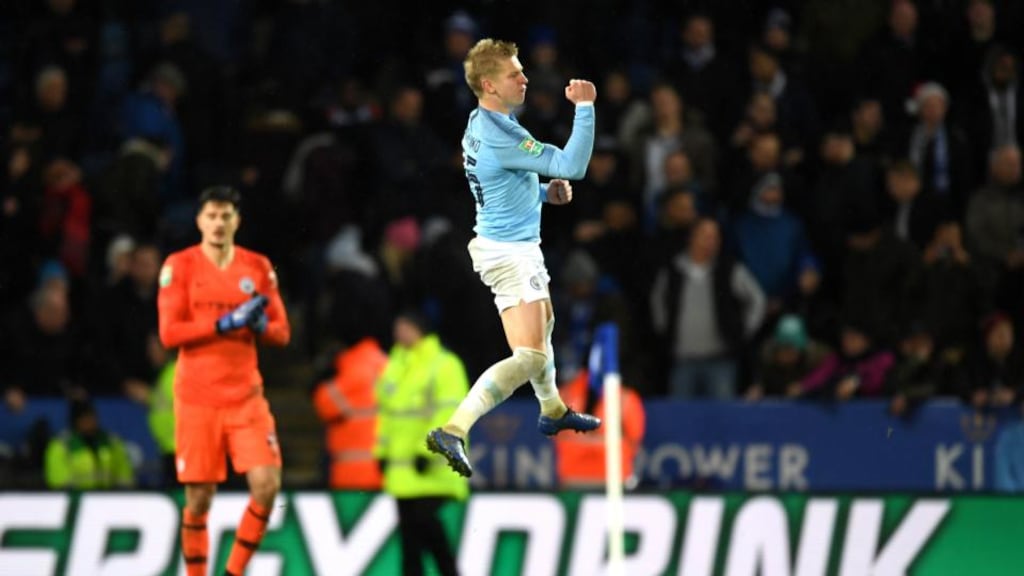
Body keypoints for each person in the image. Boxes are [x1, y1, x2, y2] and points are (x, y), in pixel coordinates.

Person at [426, 38, 601, 477]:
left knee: (545, 326)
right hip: (509, 253)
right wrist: (585, 108)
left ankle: (553, 410)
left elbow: (497, 189)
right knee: (531, 357)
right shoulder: (500, 135)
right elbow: (571, 165)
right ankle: (455, 428)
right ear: (489, 84)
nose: (524, 79)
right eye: (514, 74)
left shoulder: (483, 121)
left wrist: (542, 194)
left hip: (508, 243)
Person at [157, 186, 290, 576]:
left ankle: (233, 573)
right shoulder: (179, 266)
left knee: (266, 486)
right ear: (199, 220)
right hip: (198, 399)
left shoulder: (257, 267)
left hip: (246, 398)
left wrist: (260, 324)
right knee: (199, 498)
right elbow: (169, 334)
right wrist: (220, 324)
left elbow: (282, 333)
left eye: (225, 215)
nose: (218, 223)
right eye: (211, 216)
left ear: (237, 220)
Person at [376, 311, 469, 576]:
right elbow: (387, 414)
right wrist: (381, 452)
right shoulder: (395, 365)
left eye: (404, 327)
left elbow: (449, 412)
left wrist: (426, 450)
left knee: (423, 524)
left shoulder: (444, 365)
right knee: (411, 538)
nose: (399, 333)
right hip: (403, 471)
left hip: (433, 467)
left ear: (420, 330)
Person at [312, 337, 388, 490]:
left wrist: (323, 379)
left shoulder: (350, 368)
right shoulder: (387, 363)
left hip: (349, 473)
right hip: (386, 471)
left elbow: (324, 404)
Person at [44, 398, 135, 489]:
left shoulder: (112, 442)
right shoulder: (61, 445)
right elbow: (59, 482)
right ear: (75, 421)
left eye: (92, 417)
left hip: (110, 499)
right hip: (77, 499)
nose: (89, 422)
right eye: (83, 418)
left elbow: (125, 477)